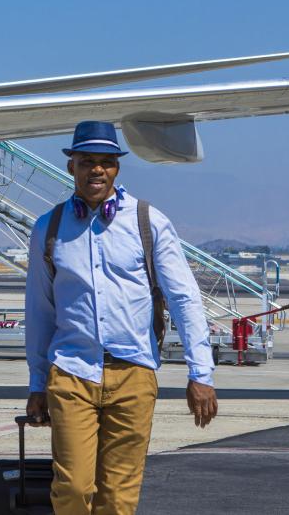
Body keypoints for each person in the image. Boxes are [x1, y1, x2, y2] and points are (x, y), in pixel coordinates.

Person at [24, 121, 219, 515]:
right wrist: (37, 381)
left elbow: (184, 298)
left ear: (117, 168)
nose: (96, 170)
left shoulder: (147, 222)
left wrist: (201, 374)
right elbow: (40, 309)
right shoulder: (50, 228)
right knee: (74, 489)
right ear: (71, 167)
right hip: (72, 372)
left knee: (118, 497)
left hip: (133, 372)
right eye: (87, 161)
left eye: (106, 162)